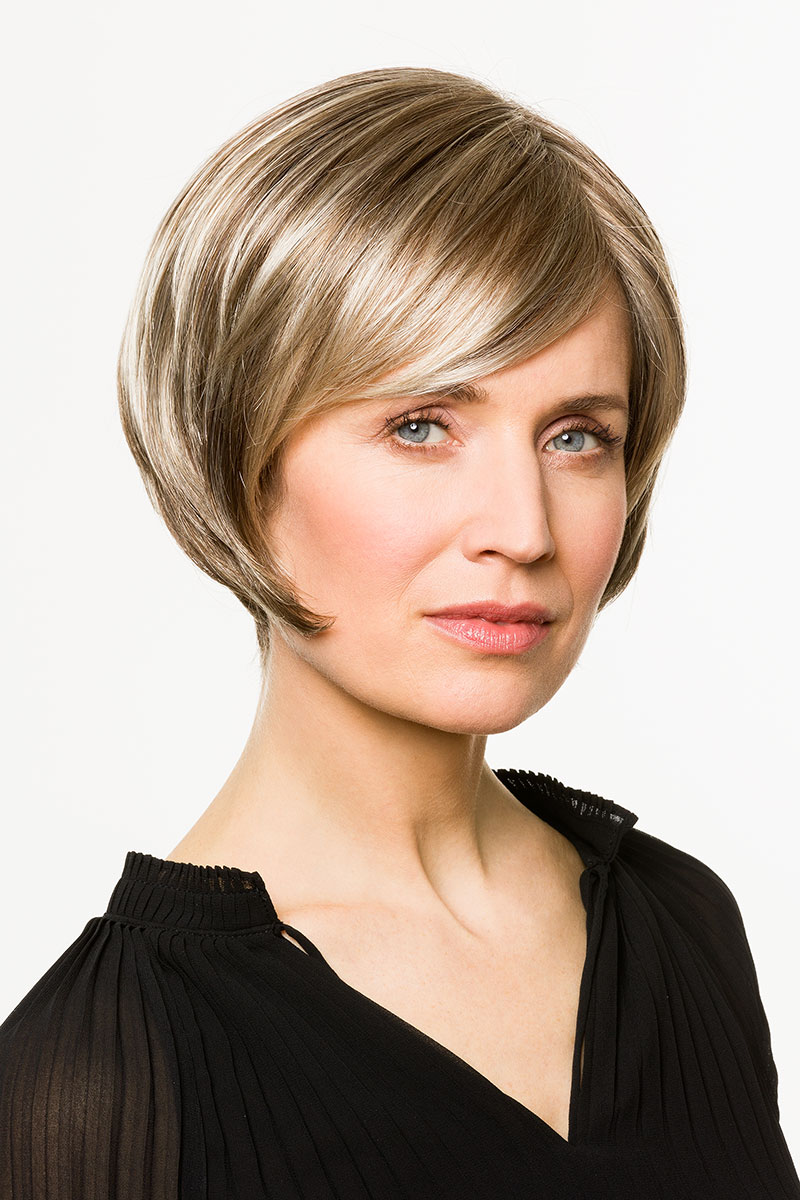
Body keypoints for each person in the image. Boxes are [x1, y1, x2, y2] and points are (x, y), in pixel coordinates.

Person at [0, 65, 797, 1200]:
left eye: (576, 436)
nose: (522, 528)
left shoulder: (678, 925)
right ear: (235, 458)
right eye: (421, 426)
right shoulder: (103, 1083)